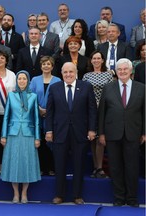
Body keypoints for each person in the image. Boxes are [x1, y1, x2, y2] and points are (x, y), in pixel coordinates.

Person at [45, 62, 97, 205]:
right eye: (65, 72)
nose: (68, 74)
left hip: (80, 133)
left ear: (76, 73)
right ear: (61, 73)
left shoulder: (86, 87)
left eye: (71, 72)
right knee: (59, 165)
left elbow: (92, 110)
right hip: (59, 133)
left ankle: (77, 195)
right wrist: (49, 130)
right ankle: (59, 195)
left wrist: (92, 129)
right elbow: (50, 112)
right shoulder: (54, 88)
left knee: (79, 164)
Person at [98, 58, 145, 207]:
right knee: (115, 167)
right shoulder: (108, 88)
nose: (122, 72)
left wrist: (144, 133)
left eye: (125, 69)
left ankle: (131, 198)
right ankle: (119, 197)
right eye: (120, 69)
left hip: (133, 133)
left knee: (132, 167)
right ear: (116, 72)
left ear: (131, 71)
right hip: (112, 134)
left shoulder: (142, 88)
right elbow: (102, 112)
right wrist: (102, 133)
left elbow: (145, 112)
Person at [0, 70, 41, 204]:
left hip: (28, 134)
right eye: (19, 79)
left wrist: (37, 137)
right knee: (14, 163)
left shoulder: (33, 96)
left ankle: (24, 193)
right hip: (13, 133)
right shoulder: (11, 95)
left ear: (28, 81)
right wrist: (4, 135)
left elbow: (36, 118)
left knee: (26, 163)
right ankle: (16, 193)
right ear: (16, 81)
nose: (22, 81)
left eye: (24, 79)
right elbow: (6, 116)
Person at [82, 51, 113, 178]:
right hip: (90, 110)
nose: (96, 60)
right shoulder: (86, 76)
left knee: (101, 138)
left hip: (104, 109)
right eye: (94, 58)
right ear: (91, 60)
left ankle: (100, 168)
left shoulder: (108, 75)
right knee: (93, 138)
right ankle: (96, 168)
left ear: (102, 60)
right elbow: (83, 92)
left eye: (98, 58)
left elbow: (111, 92)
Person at [29, 56, 61, 176]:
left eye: (48, 64)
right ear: (41, 66)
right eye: (44, 64)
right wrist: (39, 109)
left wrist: (49, 110)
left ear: (52, 66)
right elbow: (30, 96)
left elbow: (60, 98)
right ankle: (41, 168)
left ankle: (52, 167)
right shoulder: (34, 80)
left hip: (53, 117)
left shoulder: (58, 80)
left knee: (52, 142)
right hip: (37, 115)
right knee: (40, 143)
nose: (46, 66)